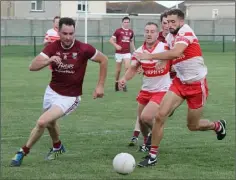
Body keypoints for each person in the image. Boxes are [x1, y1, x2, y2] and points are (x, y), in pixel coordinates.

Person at [10, 17, 108, 167]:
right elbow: (32, 66)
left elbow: (104, 59)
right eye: (65, 33)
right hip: (51, 91)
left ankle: (22, 152)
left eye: (71, 33)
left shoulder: (83, 48)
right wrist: (49, 60)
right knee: (50, 123)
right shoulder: (53, 47)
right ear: (58, 31)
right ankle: (57, 146)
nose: (68, 37)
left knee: (43, 121)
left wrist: (100, 85)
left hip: (70, 97)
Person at [135, 9, 226, 167]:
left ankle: (217, 126)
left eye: (173, 22)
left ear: (181, 22)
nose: (169, 25)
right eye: (167, 22)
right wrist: (165, 62)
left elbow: (177, 52)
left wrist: (150, 56)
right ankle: (152, 156)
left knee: (193, 126)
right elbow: (173, 55)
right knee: (160, 116)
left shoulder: (186, 32)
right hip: (179, 83)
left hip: (197, 85)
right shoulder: (170, 37)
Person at [119, 22, 172, 152]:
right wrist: (124, 79)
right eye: (147, 31)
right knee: (142, 122)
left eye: (152, 31)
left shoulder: (165, 47)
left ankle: (155, 134)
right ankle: (147, 141)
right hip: (146, 90)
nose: (149, 34)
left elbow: (175, 56)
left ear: (157, 33)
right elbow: (132, 69)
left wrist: (164, 60)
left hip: (162, 89)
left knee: (146, 117)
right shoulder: (138, 52)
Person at [109, 16, 136, 92]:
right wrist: (116, 45)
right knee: (118, 71)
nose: (126, 23)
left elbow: (131, 41)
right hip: (119, 54)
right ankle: (116, 82)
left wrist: (134, 50)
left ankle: (123, 83)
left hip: (127, 53)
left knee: (127, 67)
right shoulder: (118, 31)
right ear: (122, 23)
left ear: (129, 23)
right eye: (125, 22)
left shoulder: (131, 32)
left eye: (128, 22)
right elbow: (111, 40)